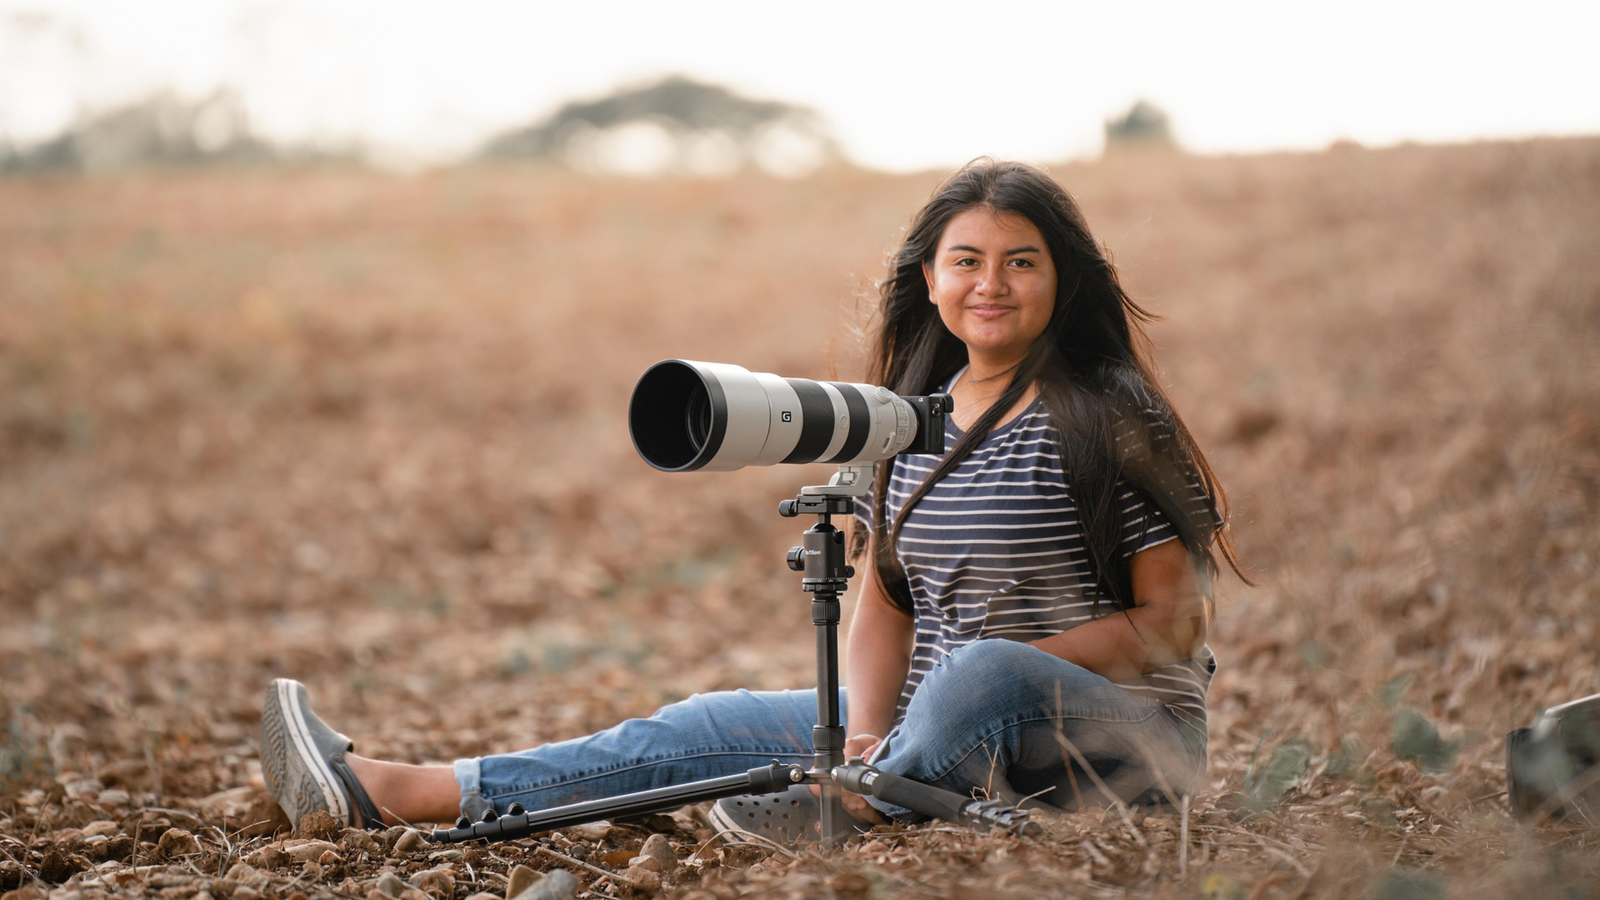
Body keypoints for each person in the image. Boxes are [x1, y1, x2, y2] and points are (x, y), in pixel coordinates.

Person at [260, 159, 1245, 842]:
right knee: (707, 723)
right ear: (931, 278)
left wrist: (989, 677)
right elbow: (883, 600)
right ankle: (406, 792)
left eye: (1020, 261)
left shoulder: (1107, 417)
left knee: (982, 669)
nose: (992, 283)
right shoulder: (909, 419)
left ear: (1062, 278)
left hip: (1119, 742)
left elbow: (1173, 622)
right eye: (967, 261)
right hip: (930, 733)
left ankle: (855, 808)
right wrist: (869, 732)